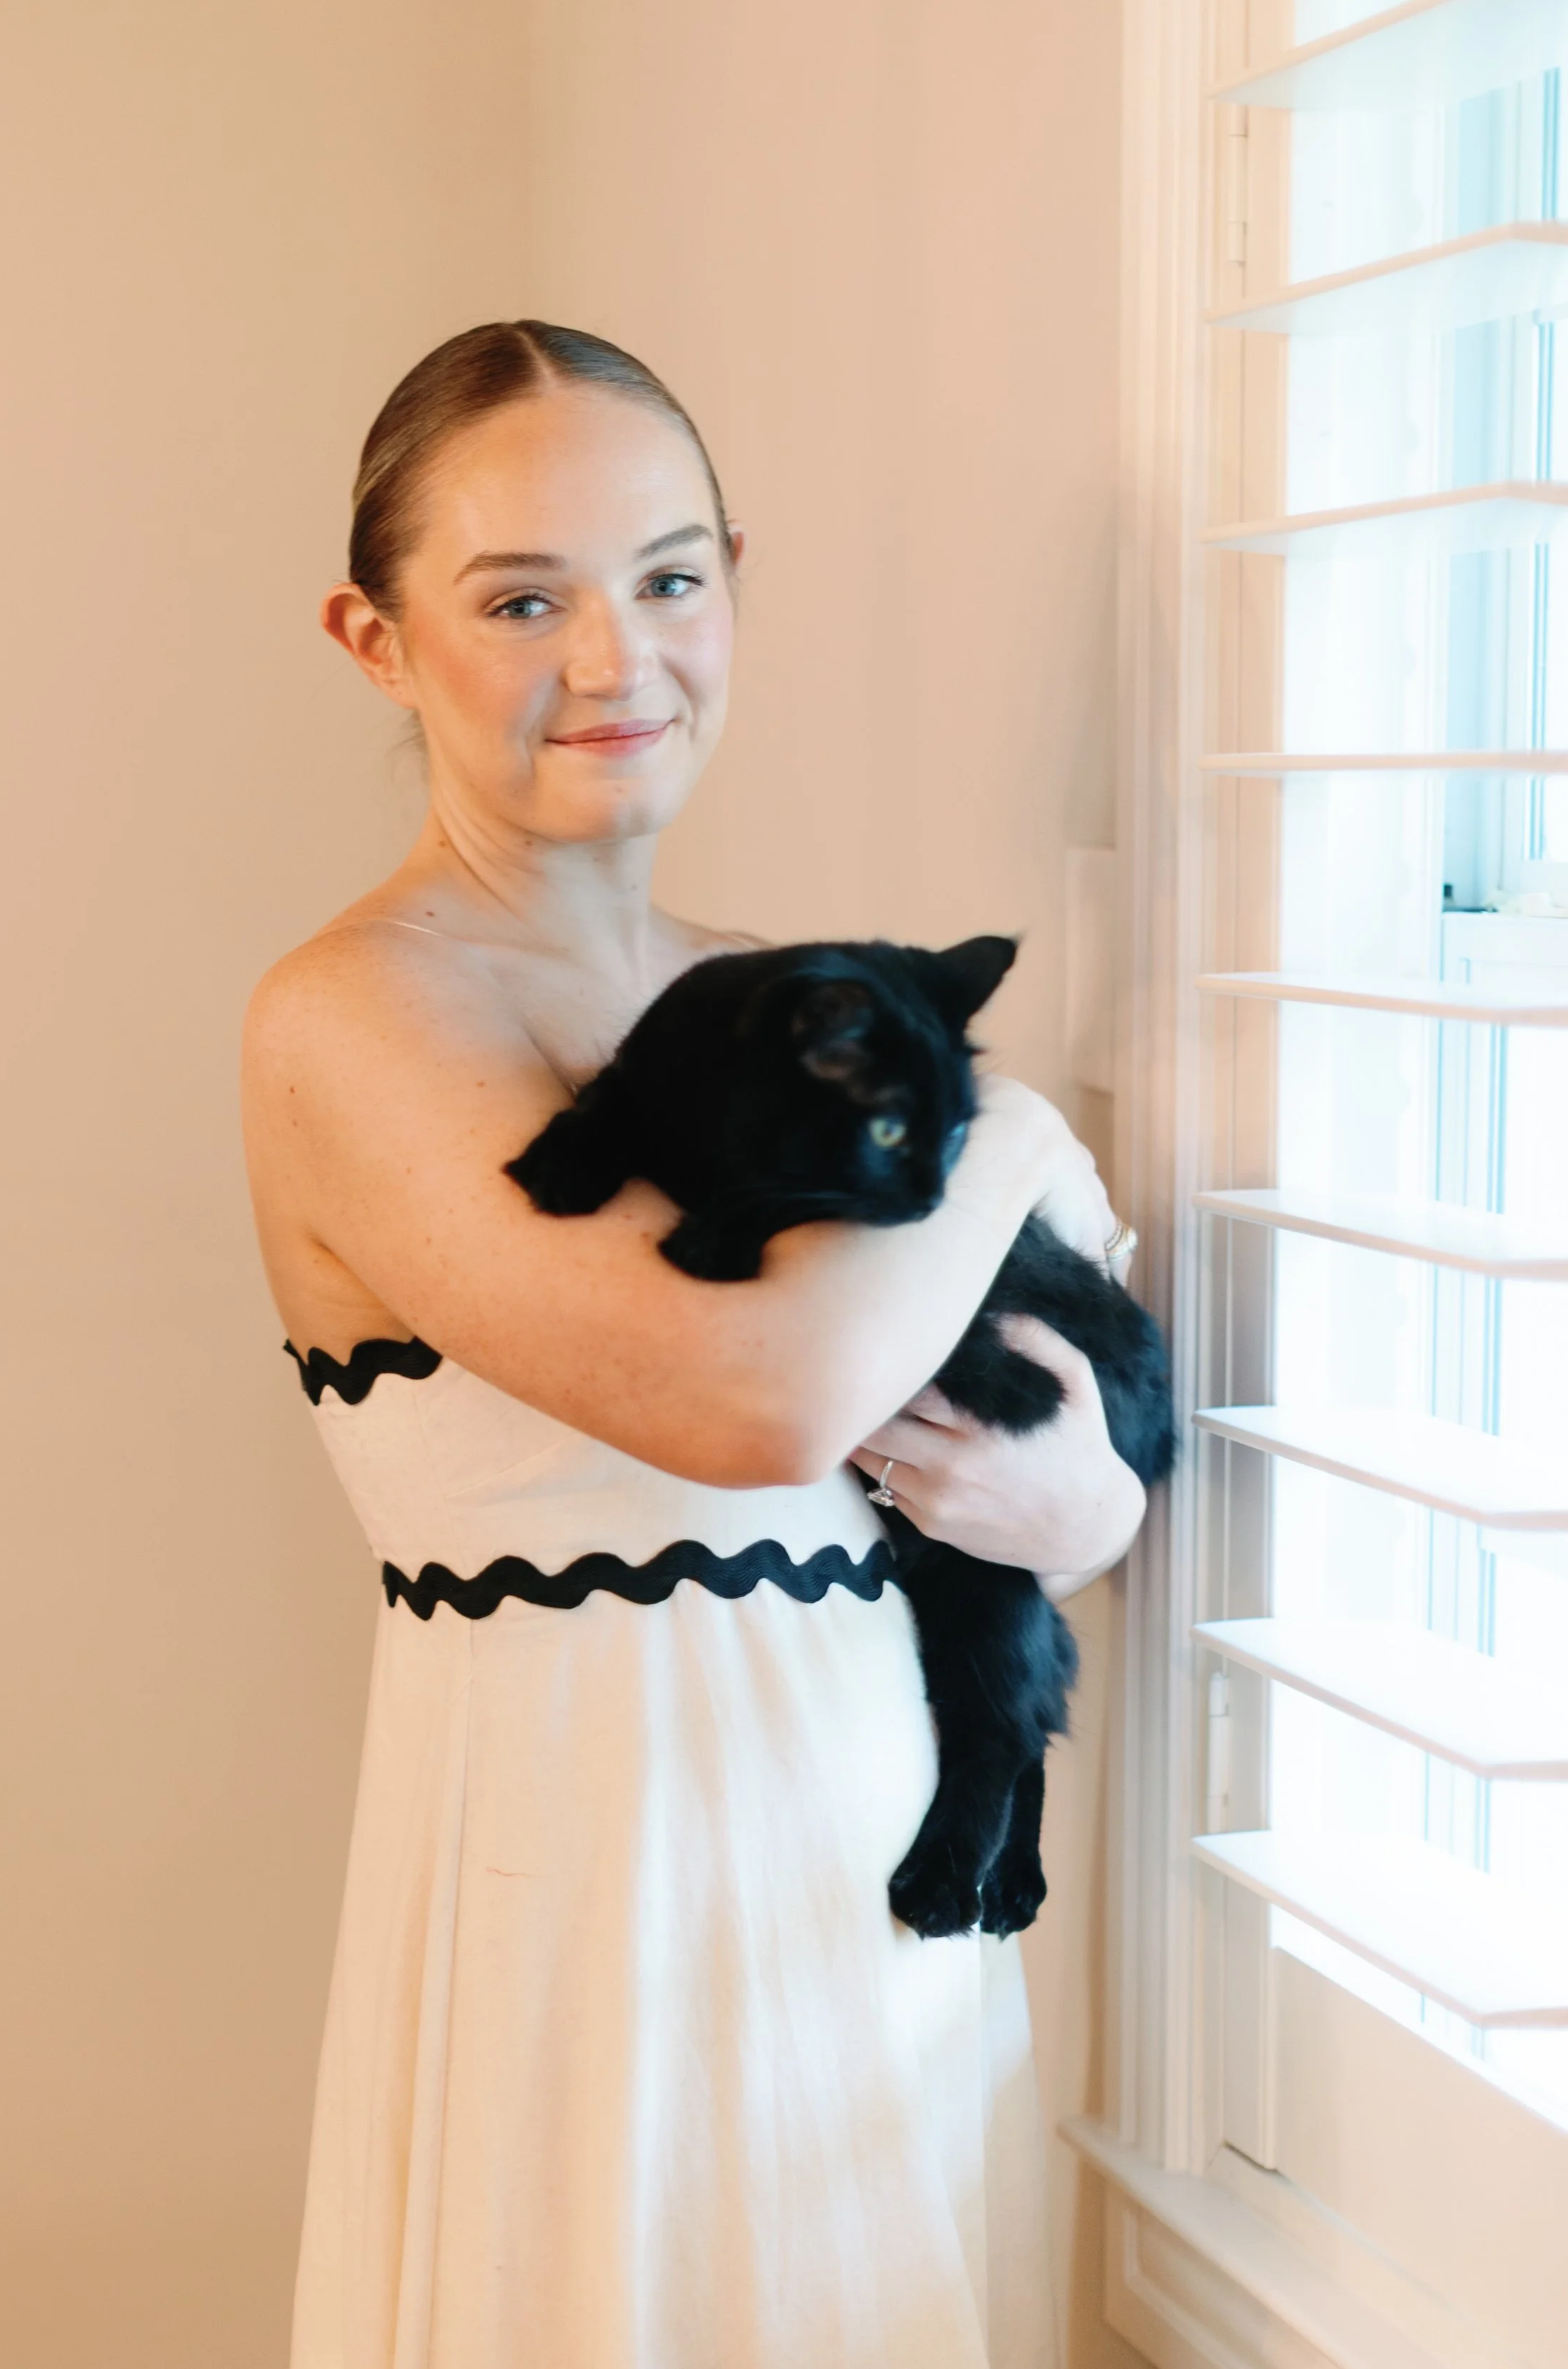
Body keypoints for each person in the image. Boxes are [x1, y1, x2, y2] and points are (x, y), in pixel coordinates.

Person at [242, 321, 1145, 2369]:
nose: (614, 658)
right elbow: (755, 1400)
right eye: (520, 600)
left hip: (878, 1922)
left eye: (666, 577)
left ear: (733, 581)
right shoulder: (354, 1016)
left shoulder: (781, 995)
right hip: (597, 1913)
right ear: (375, 640)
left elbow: (1042, 1446)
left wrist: (1077, 1506)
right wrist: (1007, 1127)